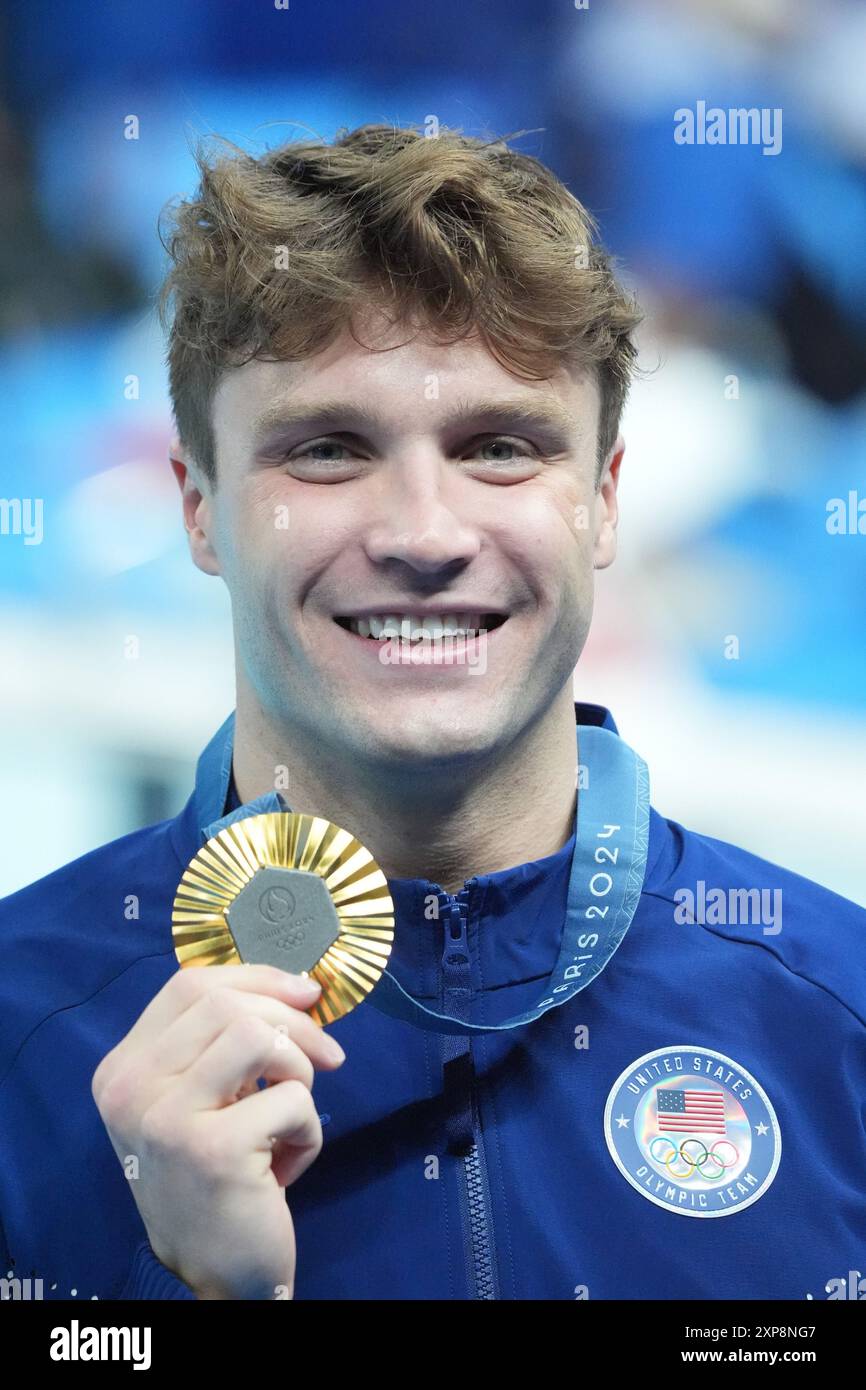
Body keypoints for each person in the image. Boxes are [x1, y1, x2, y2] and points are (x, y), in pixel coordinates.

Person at [1, 124, 863, 1303]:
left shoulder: (839, 1017)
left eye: (498, 448)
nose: (422, 533)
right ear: (198, 508)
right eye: (328, 450)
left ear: (603, 501)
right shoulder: (18, 1032)